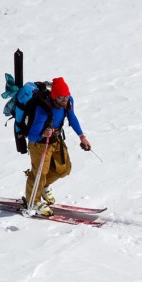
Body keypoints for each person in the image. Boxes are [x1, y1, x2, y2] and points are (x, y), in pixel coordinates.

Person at [22, 76, 92, 217]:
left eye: (66, 96)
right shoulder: (43, 109)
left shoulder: (69, 102)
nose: (64, 100)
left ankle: (42, 187)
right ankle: (33, 202)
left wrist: (82, 136)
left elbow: (72, 117)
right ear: (54, 97)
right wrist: (43, 133)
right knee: (39, 173)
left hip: (56, 140)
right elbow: (33, 136)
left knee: (64, 168)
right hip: (40, 144)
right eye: (60, 98)